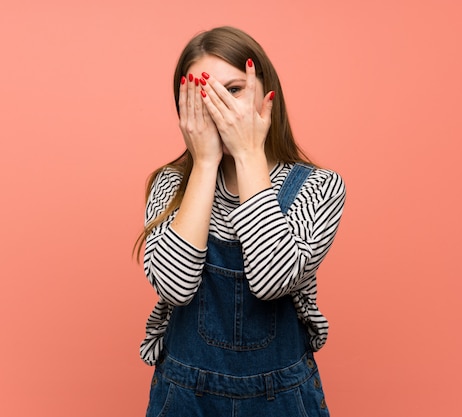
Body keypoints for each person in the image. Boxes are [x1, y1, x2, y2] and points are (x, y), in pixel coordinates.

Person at [135, 26, 346, 417]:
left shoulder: (318, 186)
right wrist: (204, 162)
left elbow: (273, 281)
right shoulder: (168, 184)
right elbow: (174, 287)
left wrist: (248, 155)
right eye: (204, 94)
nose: (218, 106)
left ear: (268, 96)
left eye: (232, 90)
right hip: (185, 397)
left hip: (282, 398)